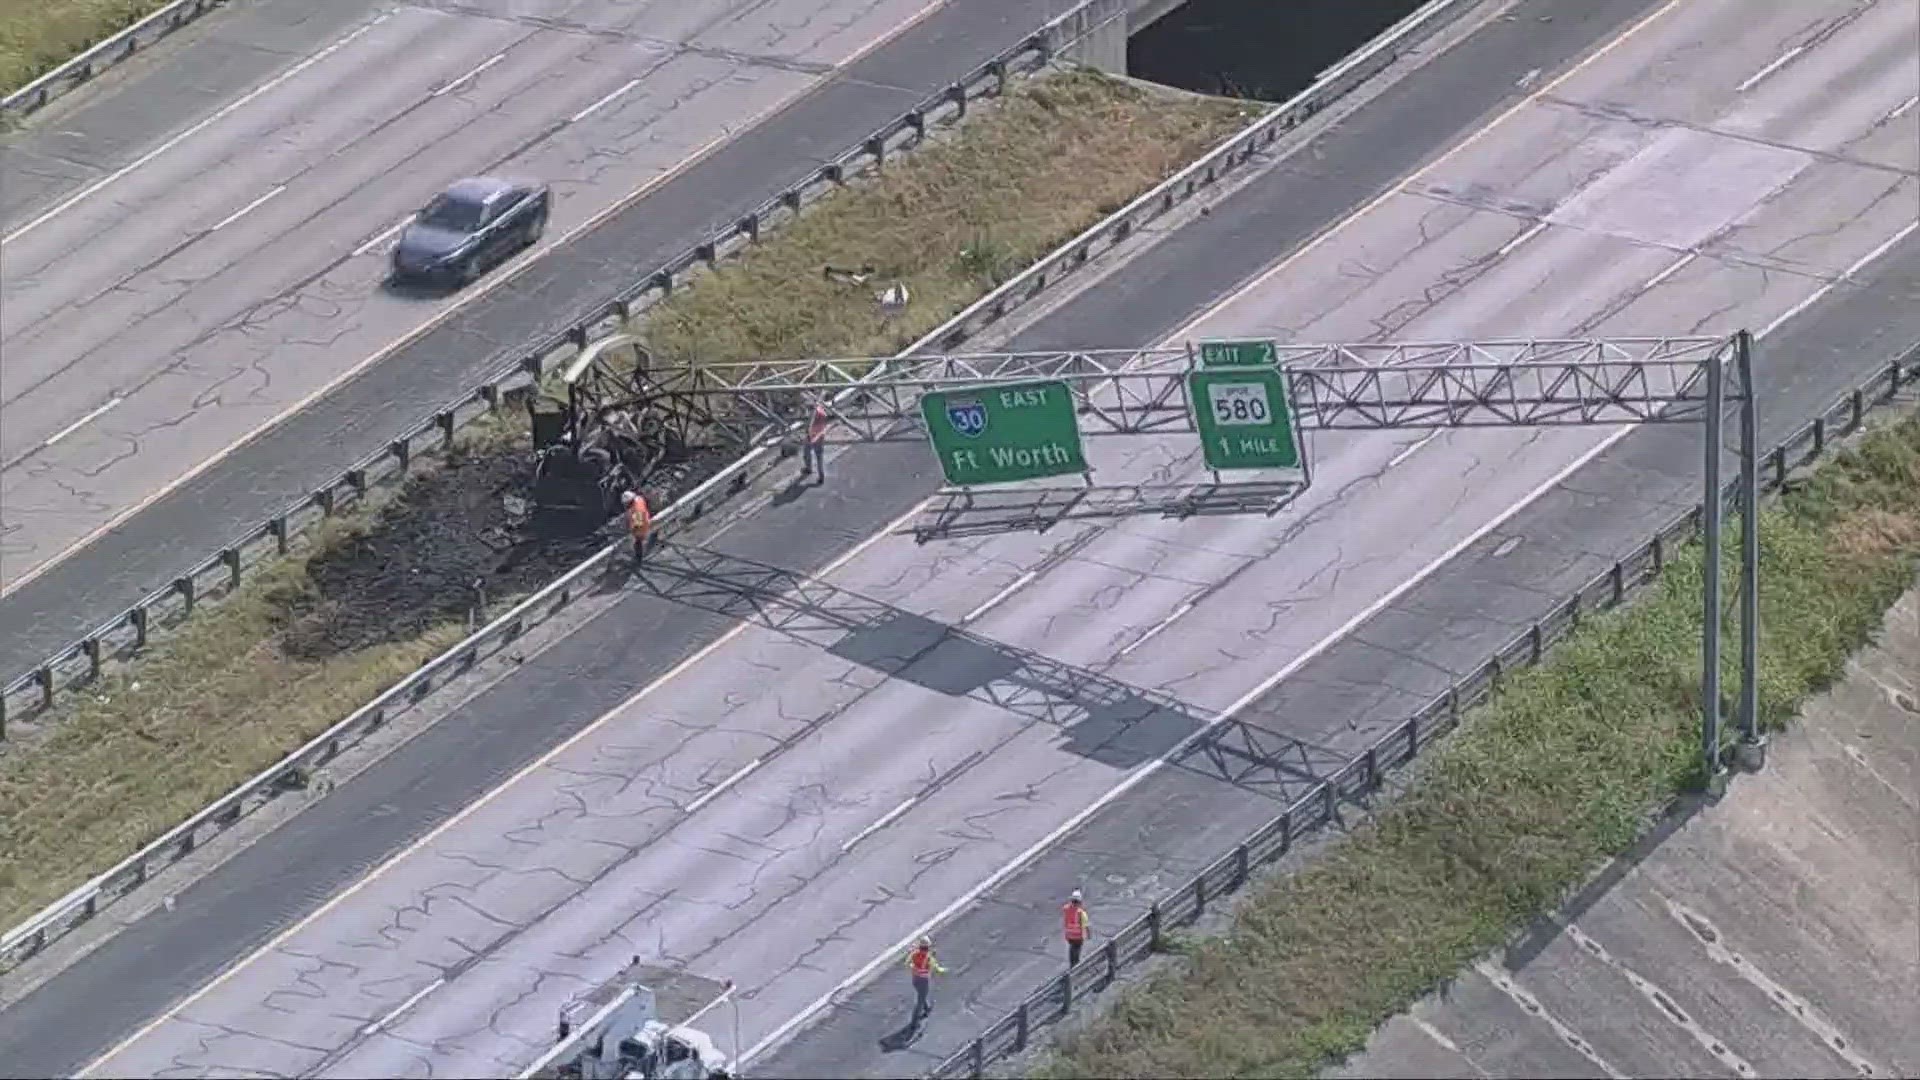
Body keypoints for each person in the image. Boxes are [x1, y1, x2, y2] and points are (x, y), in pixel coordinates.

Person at [906, 936, 945, 1022]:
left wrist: (914, 968)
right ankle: (915, 1020)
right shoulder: (928, 958)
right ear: (928, 947)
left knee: (921, 995)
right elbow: (937, 968)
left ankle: (927, 1008)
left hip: (915, 979)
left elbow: (907, 963)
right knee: (921, 999)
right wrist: (943, 971)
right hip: (923, 981)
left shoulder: (914, 954)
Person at [800, 401, 829, 482]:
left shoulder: (813, 415)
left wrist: (808, 434)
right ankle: (821, 475)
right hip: (819, 436)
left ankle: (809, 469)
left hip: (813, 436)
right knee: (818, 456)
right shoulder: (821, 411)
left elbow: (809, 425)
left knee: (808, 453)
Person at [622, 489, 651, 567]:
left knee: (638, 543)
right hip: (645, 519)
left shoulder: (637, 510)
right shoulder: (639, 499)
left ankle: (638, 559)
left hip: (641, 528)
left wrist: (631, 531)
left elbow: (638, 524)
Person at [1063, 889, 1091, 967]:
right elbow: (1086, 925)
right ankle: (1076, 965)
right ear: (1080, 902)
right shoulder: (1081, 913)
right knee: (1077, 950)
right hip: (1078, 936)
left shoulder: (1066, 909)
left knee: (1072, 948)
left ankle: (1072, 964)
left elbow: (1066, 910)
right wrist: (1089, 935)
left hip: (1069, 935)